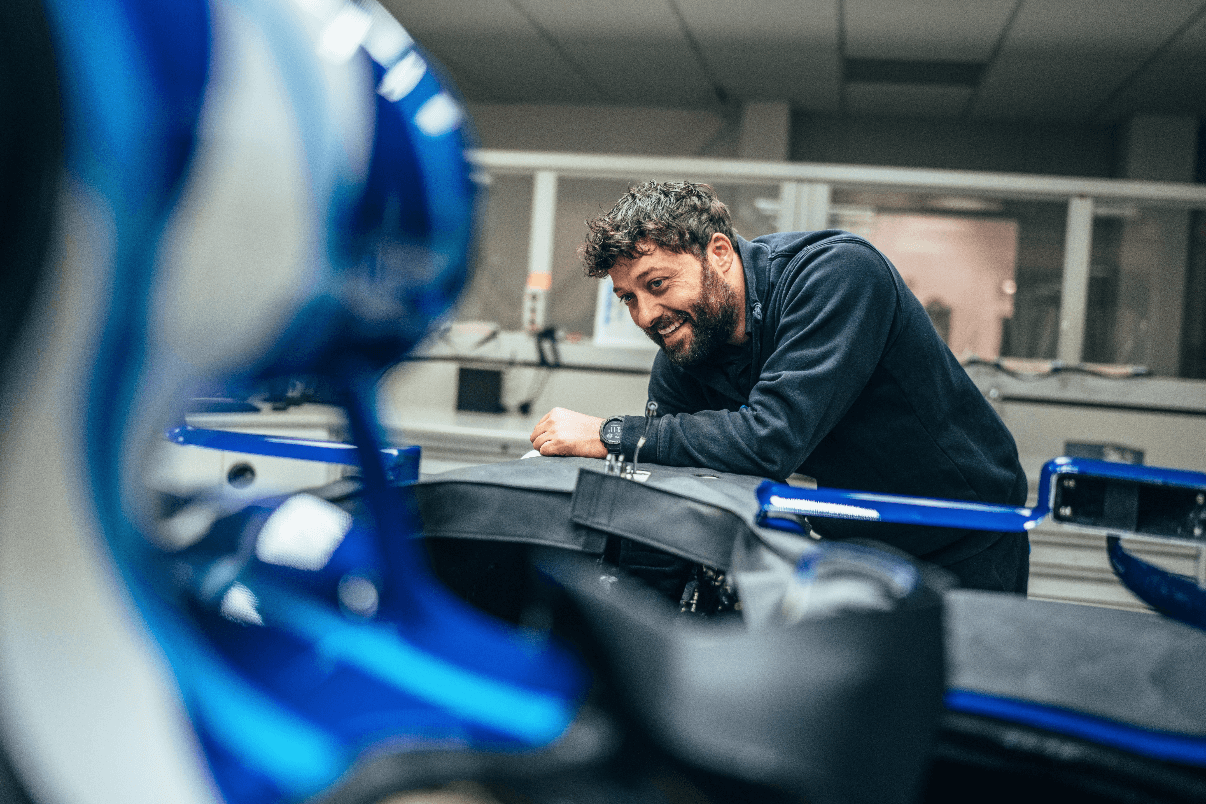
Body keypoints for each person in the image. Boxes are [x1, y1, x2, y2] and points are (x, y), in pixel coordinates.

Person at [529, 181, 1029, 593]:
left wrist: (611, 434)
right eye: (628, 298)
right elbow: (675, 484)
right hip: (850, 540)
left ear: (719, 253)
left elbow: (770, 439)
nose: (646, 315)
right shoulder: (684, 356)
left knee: (963, 702)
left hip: (966, 534)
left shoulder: (836, 275)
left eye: (656, 284)